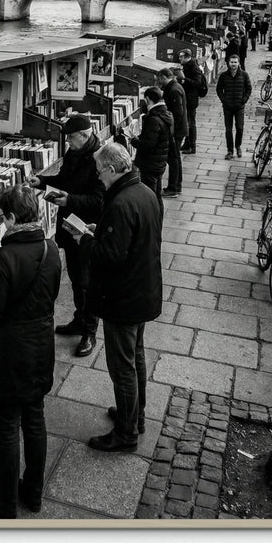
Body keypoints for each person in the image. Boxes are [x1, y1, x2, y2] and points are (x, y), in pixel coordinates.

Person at [0, 184, 62, 518]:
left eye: (3, 218)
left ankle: (6, 502)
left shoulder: (6, 256)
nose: (3, 224)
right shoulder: (51, 249)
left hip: (10, 350)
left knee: (7, 425)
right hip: (40, 345)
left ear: (10, 217)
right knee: (34, 419)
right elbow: (50, 295)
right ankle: (33, 493)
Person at [80, 143, 162, 452]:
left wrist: (86, 240)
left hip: (123, 298)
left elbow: (109, 256)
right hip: (142, 292)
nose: (98, 177)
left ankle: (126, 433)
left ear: (113, 170)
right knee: (135, 357)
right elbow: (132, 238)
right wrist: (100, 228)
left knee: (122, 367)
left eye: (100, 172)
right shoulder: (144, 192)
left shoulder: (121, 202)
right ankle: (134, 415)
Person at [31, 114, 103, 358]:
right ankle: (79, 319)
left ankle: (89, 331)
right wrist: (41, 181)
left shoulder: (99, 159)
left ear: (85, 134)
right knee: (75, 278)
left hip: (87, 229)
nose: (68, 143)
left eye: (71, 138)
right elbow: (64, 180)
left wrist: (70, 199)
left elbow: (99, 200)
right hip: (69, 226)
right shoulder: (74, 153)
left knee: (88, 282)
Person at [130, 85, 173, 202]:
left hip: (150, 164)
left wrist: (134, 141)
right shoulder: (164, 114)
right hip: (159, 162)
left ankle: (152, 219)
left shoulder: (153, 118)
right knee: (157, 196)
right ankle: (158, 219)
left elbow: (148, 145)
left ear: (148, 99)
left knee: (150, 197)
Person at [159, 68, 189, 196]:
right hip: (178, 129)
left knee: (173, 159)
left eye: (159, 79)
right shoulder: (175, 87)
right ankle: (177, 186)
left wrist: (169, 128)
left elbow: (177, 113)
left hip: (176, 130)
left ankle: (173, 188)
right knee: (175, 158)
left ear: (164, 77)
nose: (158, 82)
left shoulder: (174, 90)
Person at [216, 53, 252, 159]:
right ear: (228, 63)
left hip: (239, 107)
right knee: (228, 129)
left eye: (235, 62)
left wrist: (244, 100)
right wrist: (223, 100)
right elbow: (219, 89)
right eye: (231, 62)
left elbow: (249, 88)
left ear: (238, 63)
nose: (233, 64)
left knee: (240, 128)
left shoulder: (244, 75)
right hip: (227, 107)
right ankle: (230, 150)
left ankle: (238, 146)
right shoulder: (223, 75)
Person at [177, 48, 206, 153]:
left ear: (187, 57)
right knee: (188, 122)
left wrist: (184, 80)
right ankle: (187, 144)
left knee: (190, 123)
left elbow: (197, 83)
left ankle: (192, 146)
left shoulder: (194, 67)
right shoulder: (187, 66)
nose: (179, 58)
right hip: (187, 98)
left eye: (181, 57)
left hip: (191, 99)